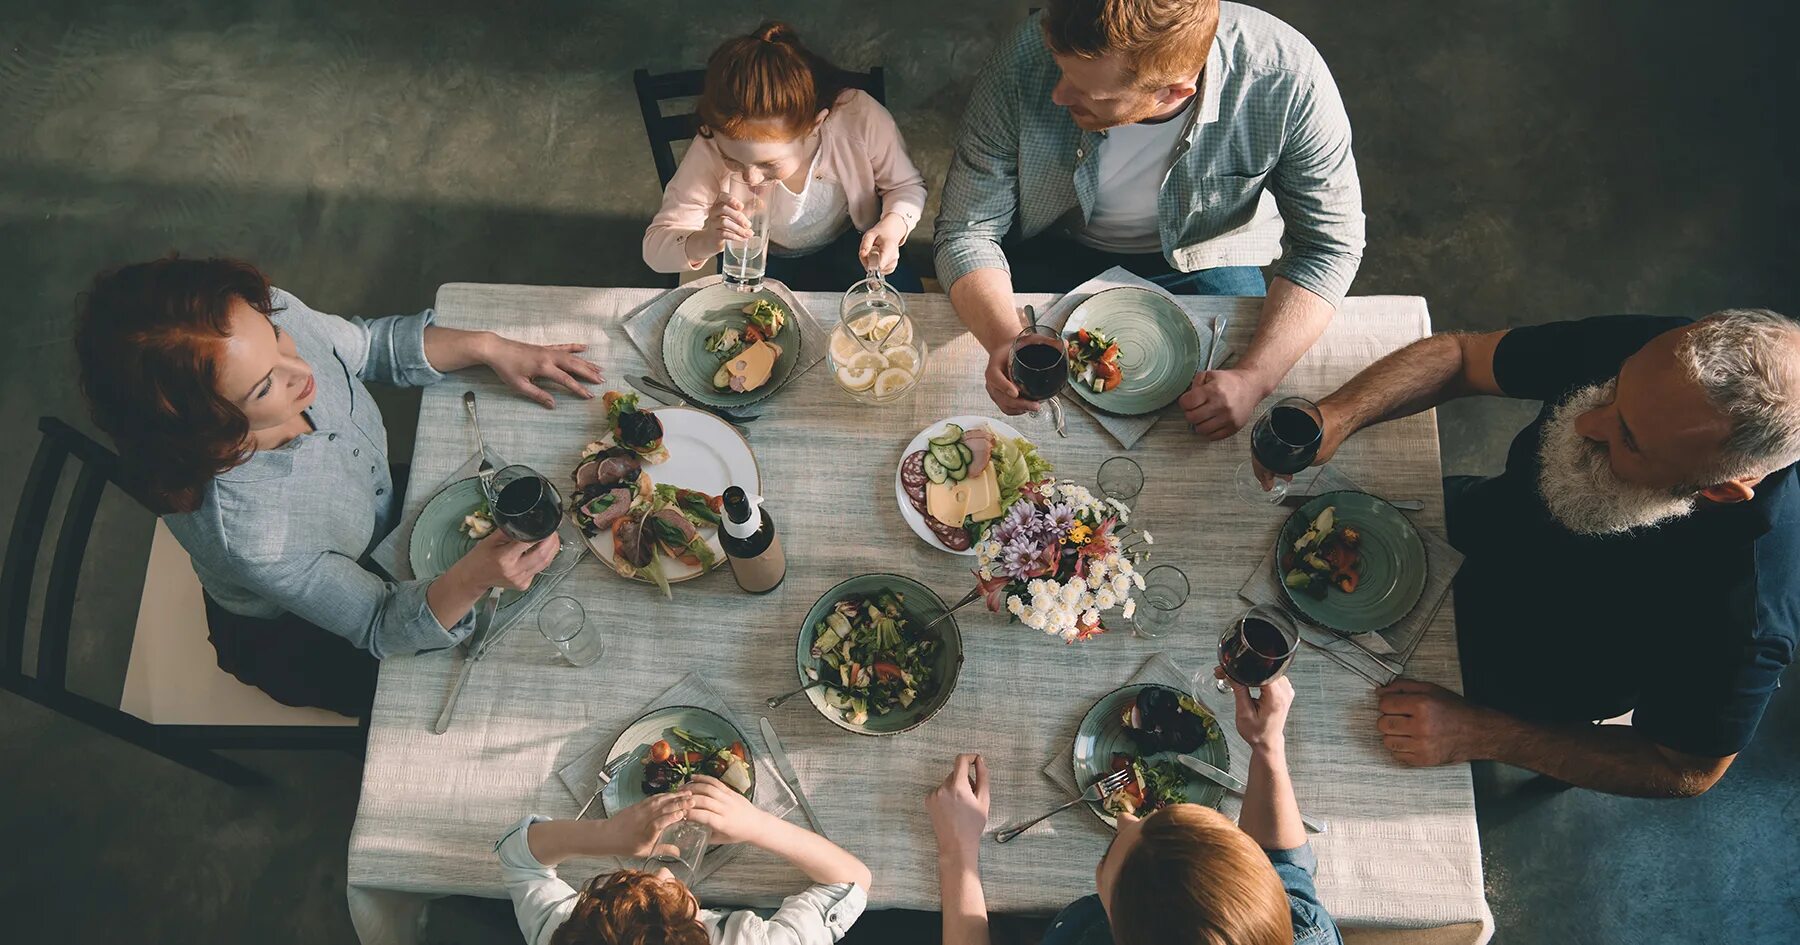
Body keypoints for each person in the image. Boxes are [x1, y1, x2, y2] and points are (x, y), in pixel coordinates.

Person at [1270, 309, 1800, 797]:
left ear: (1721, 491)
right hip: (1461, 524)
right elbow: (1462, 358)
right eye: (1614, 387)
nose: (1584, 423)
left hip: (1512, 681)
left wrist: (1481, 734)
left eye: (1629, 440)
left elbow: (1684, 769)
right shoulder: (1666, 363)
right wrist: (1337, 416)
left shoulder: (1749, 610)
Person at [73, 255, 603, 717]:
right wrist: (474, 578)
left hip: (381, 519)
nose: (299, 366)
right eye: (264, 386)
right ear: (209, 426)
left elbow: (368, 346)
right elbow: (378, 621)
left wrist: (489, 347)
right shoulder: (255, 538)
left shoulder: (266, 314)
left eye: (277, 337)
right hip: (302, 639)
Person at [935, 0, 1364, 437]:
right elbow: (967, 231)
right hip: (1053, 243)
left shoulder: (1288, 79)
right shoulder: (1024, 59)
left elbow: (1328, 247)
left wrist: (1256, 377)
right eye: (1061, 71)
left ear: (1174, 92)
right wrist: (1006, 340)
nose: (1058, 95)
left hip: (1208, 255)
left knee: (1217, 417)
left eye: (1088, 92)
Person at [927, 677, 1341, 945]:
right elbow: (1284, 864)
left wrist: (958, 853)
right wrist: (1268, 748)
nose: (1125, 818)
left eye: (1109, 858)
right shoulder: (1304, 929)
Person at [643, 21, 928, 293]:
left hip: (852, 244)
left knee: (906, 315)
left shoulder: (858, 117)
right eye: (733, 161)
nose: (750, 178)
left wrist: (893, 224)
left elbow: (905, 186)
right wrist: (704, 240)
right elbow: (655, 247)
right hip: (759, 256)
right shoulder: (710, 145)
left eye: (768, 163)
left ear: (814, 126)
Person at [496, 776, 872, 945]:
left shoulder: (567, 933)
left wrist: (608, 834)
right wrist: (757, 826)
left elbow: (518, 857)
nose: (662, 871)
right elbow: (850, 881)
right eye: (674, 899)